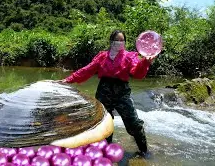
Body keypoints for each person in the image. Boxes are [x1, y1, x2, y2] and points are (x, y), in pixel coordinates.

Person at [60, 30, 155, 158]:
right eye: (117, 40)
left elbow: (137, 73)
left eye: (122, 40)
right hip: (104, 92)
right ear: (111, 42)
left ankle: (144, 151)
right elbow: (87, 71)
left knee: (134, 123)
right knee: (104, 124)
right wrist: (69, 79)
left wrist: (145, 63)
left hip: (122, 93)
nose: (120, 43)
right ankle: (105, 153)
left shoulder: (129, 56)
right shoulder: (102, 56)